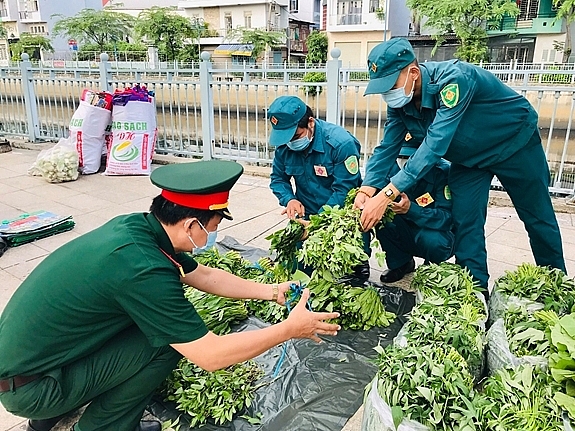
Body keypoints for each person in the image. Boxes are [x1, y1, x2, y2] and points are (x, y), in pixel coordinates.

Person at [0, 160, 340, 431]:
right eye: (215, 224)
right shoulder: (145, 269)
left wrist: (270, 291)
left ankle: (48, 416)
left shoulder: (138, 228)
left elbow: (203, 275)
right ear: (192, 225)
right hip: (34, 388)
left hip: (29, 364)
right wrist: (289, 329)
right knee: (166, 344)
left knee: (143, 326)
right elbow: (210, 356)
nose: (215, 232)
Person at [355, 37, 566, 292]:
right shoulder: (400, 105)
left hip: (513, 143)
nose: (387, 93)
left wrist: (387, 194)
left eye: (391, 85)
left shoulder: (454, 80)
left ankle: (557, 287)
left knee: (537, 217)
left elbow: (434, 146)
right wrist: (367, 189)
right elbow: (387, 147)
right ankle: (476, 293)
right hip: (470, 160)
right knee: (466, 222)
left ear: (412, 72)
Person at [268, 95, 371, 279]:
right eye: (286, 138)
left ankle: (360, 261)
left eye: (296, 136)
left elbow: (344, 190)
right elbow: (278, 179)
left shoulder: (340, 143)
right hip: (307, 216)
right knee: (298, 271)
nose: (291, 142)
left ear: (311, 123)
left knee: (349, 273)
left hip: (342, 217)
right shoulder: (285, 145)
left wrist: (318, 222)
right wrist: (289, 199)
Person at [370, 140, 454, 283]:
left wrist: (411, 210)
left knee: (433, 240)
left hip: (433, 229)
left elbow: (447, 218)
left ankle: (432, 268)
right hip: (406, 226)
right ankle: (401, 263)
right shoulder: (391, 168)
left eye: (411, 158)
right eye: (402, 157)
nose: (405, 163)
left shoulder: (441, 172)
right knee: (382, 219)